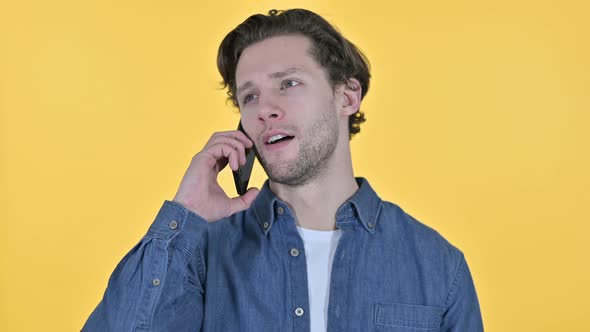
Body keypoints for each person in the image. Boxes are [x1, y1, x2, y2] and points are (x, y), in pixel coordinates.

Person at [83, 8, 483, 332]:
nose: (264, 109)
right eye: (250, 95)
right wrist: (185, 215)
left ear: (346, 96)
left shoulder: (437, 264)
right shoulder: (200, 252)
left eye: (288, 83)